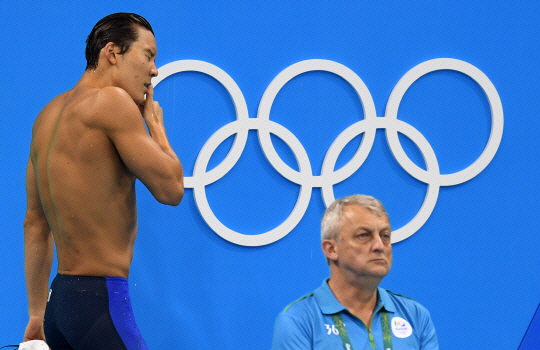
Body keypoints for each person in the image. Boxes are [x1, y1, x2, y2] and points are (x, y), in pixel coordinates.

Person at [23, 13, 184, 350]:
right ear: (113, 52)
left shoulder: (46, 116)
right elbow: (171, 190)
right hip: (100, 304)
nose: (154, 70)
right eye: (149, 55)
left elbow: (35, 225)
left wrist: (37, 316)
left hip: (59, 305)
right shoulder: (112, 102)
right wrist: (156, 128)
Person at [271, 195, 438, 349]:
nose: (379, 246)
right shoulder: (299, 321)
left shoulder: (415, 316)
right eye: (364, 235)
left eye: (385, 236)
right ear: (331, 249)